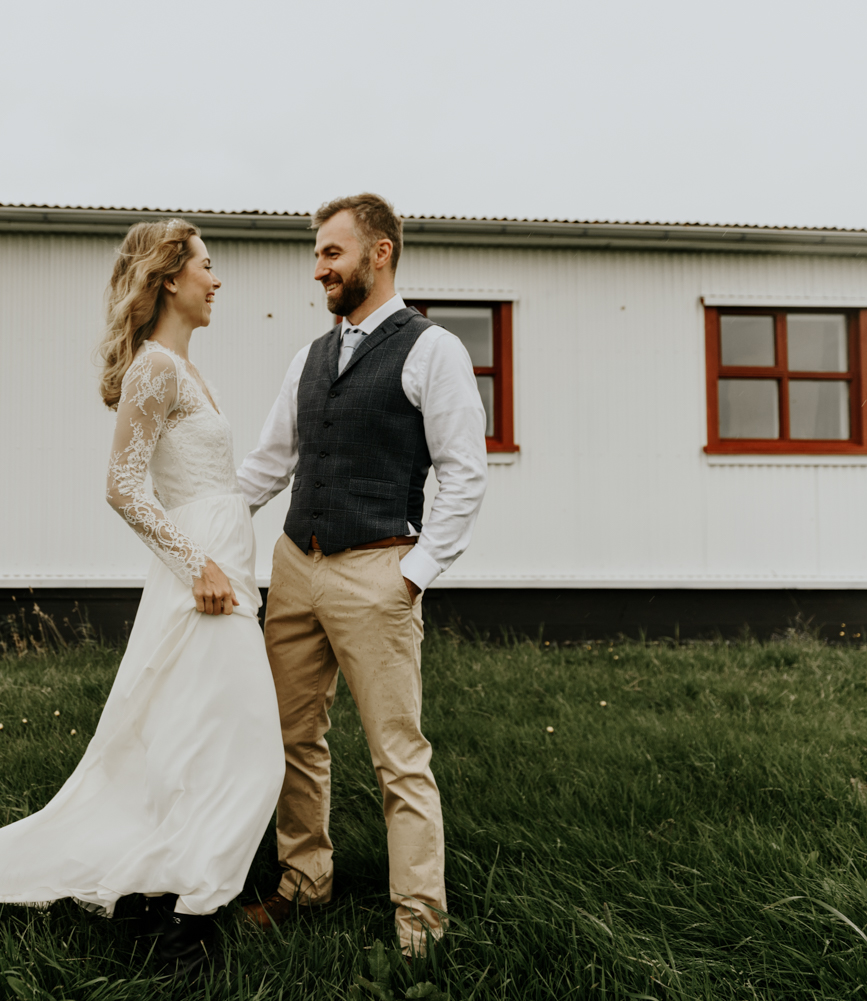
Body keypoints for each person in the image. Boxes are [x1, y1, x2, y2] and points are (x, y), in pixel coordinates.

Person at [0, 219, 284, 978]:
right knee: (252, 747)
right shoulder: (155, 369)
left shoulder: (197, 373)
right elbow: (122, 486)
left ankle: (161, 896)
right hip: (201, 580)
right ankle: (180, 918)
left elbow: (216, 485)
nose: (216, 279)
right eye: (205, 266)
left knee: (201, 739)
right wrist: (196, 563)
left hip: (224, 570)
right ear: (169, 279)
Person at [235, 193, 489, 957]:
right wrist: (204, 523)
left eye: (332, 253)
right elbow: (269, 464)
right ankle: (304, 880)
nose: (319, 268)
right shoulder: (309, 356)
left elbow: (464, 476)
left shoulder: (432, 349)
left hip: (377, 569)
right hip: (294, 567)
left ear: (380, 253)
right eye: (317, 254)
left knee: (397, 755)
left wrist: (412, 574)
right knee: (292, 737)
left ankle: (419, 925)